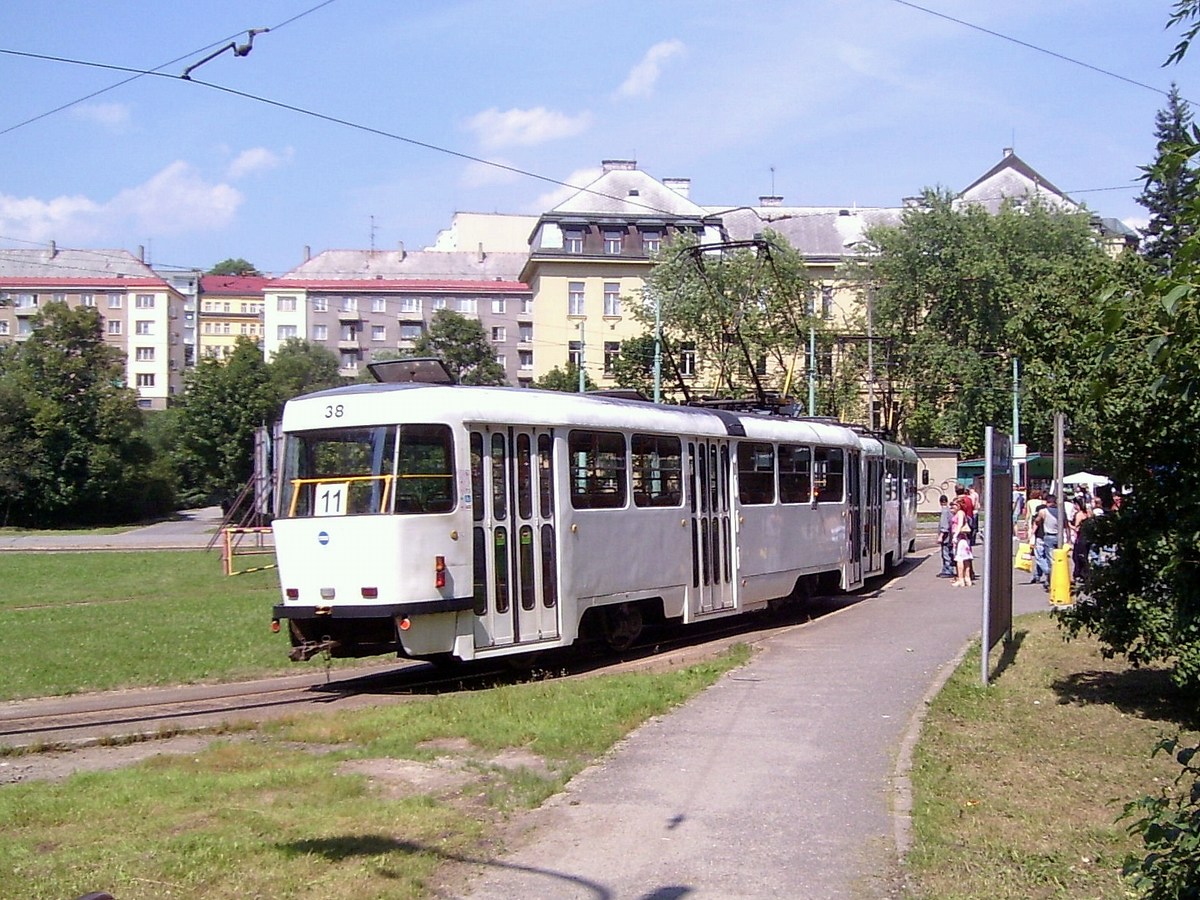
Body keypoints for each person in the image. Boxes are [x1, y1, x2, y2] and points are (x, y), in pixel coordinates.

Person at [1033, 495, 1060, 592]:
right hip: (1059, 536)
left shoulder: (1043, 511)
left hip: (1048, 536)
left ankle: (1050, 579)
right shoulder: (1060, 512)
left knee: (1050, 559)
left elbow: (1037, 521)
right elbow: (1066, 525)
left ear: (1047, 502)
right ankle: (1053, 579)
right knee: (1059, 559)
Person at [936, 495, 955, 577]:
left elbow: (944, 525)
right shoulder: (950, 510)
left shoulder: (944, 511)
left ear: (940, 502)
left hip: (946, 537)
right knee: (950, 553)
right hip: (950, 536)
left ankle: (947, 570)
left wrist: (941, 536)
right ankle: (948, 569)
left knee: (945, 554)